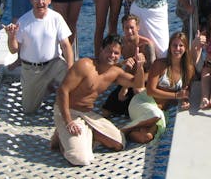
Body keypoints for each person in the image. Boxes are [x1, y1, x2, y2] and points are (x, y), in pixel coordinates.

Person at [52, 34, 145, 166]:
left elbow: (137, 84)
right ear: (101, 49)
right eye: (109, 51)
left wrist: (140, 67)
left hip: (87, 115)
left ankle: (81, 134)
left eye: (116, 53)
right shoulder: (85, 65)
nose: (112, 55)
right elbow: (62, 91)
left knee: (119, 143)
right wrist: (68, 122)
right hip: (68, 111)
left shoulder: (115, 72)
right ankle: (62, 139)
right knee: (81, 159)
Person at [5, 0, 74, 113]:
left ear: (49, 0)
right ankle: (47, 88)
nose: (40, 2)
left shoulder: (56, 18)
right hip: (32, 69)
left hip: (55, 64)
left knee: (75, 83)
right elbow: (13, 50)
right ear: (31, 0)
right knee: (29, 110)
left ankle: (54, 87)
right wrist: (11, 37)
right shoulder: (23, 21)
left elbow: (65, 44)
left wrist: (70, 68)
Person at [101, 13, 156, 116]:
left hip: (144, 82)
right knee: (106, 110)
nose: (129, 31)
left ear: (138, 28)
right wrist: (124, 86)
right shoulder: (122, 43)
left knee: (137, 95)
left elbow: (153, 72)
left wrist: (136, 83)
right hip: (129, 80)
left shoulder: (147, 45)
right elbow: (112, 66)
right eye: (126, 28)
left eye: (132, 28)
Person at [145, 31, 195, 110]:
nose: (177, 48)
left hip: (163, 109)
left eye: (181, 45)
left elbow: (185, 92)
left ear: (185, 48)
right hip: (145, 102)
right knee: (154, 115)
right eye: (174, 45)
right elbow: (150, 91)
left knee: (156, 116)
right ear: (170, 47)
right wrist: (176, 95)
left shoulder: (189, 69)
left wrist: (185, 100)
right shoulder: (159, 64)